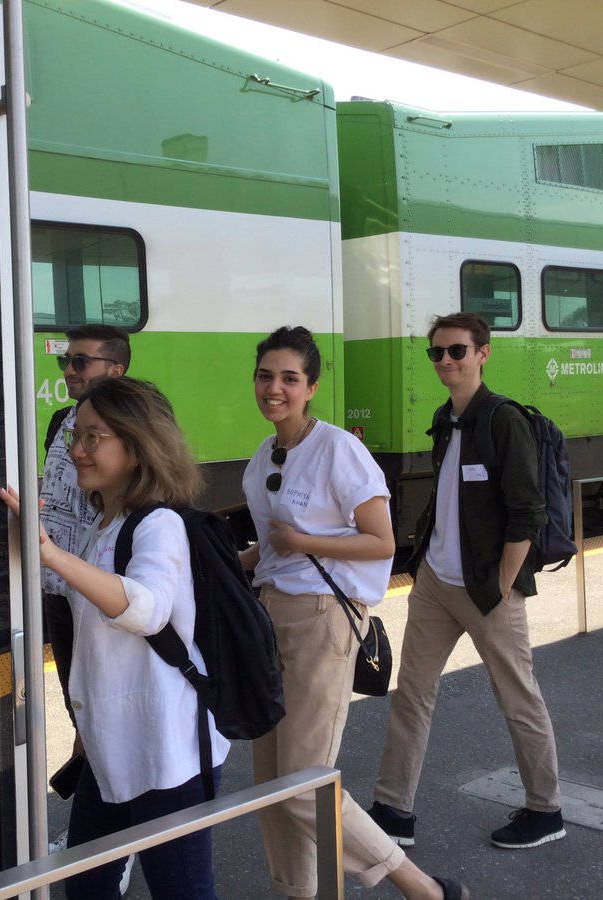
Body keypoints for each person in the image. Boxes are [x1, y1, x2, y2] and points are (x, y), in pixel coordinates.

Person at [240, 326, 467, 900]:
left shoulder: (338, 448)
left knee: (302, 782)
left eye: (290, 378)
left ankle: (420, 888)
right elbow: (276, 543)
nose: (275, 388)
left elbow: (381, 542)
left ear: (311, 386)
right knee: (271, 782)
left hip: (322, 619)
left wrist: (303, 544)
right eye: (266, 376)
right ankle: (298, 891)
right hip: (269, 614)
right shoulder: (265, 452)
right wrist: (234, 558)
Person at [0, 376, 225, 900]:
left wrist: (53, 554)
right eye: (76, 435)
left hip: (168, 755)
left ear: (137, 445)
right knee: (86, 886)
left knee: (183, 892)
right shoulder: (107, 521)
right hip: (112, 749)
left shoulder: (158, 524)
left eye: (92, 438)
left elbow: (147, 609)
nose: (76, 449)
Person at [369, 311, 564, 851]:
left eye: (457, 351)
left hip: (486, 588)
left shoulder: (504, 420)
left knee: (517, 698)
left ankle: (546, 809)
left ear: (483, 354)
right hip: (434, 583)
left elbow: (528, 511)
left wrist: (502, 584)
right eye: (437, 353)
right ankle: (393, 809)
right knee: (411, 694)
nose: (446, 361)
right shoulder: (444, 417)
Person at [40, 325, 129, 721]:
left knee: (106, 701)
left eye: (81, 361)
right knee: (74, 697)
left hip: (99, 589)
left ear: (116, 370)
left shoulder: (130, 429)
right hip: (57, 585)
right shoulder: (60, 419)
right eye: (66, 360)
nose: (69, 370)